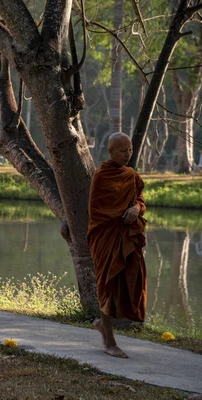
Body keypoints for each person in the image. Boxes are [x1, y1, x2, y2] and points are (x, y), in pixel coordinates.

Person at [87, 132, 147, 358]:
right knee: (107, 285)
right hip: (105, 237)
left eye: (130, 150)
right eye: (123, 150)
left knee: (126, 283)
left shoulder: (131, 175)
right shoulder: (101, 176)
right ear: (111, 152)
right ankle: (109, 341)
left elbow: (140, 201)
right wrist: (120, 214)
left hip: (126, 238)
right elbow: (96, 211)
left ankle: (103, 325)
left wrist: (136, 209)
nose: (128, 154)